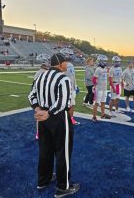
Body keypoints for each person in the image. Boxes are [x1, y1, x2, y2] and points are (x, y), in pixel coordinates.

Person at [28, 53, 80, 198]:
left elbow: (31, 96)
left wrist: (38, 110)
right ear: (61, 64)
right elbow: (63, 102)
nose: (67, 65)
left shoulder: (40, 77)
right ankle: (63, 187)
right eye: (66, 63)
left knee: (45, 150)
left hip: (44, 120)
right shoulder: (63, 78)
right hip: (58, 118)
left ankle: (43, 180)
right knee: (62, 152)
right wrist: (49, 113)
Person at [33, 56, 50, 140]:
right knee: (43, 115)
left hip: (41, 96)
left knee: (42, 116)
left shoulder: (40, 72)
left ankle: (39, 133)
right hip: (43, 97)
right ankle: (39, 133)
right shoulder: (43, 73)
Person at [92, 55, 111, 122]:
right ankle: (94, 117)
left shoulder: (105, 68)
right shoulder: (98, 69)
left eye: (105, 61)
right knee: (97, 103)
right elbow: (94, 79)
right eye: (103, 61)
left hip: (104, 88)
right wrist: (96, 86)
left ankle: (102, 114)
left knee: (103, 102)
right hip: (99, 88)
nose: (104, 62)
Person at [65, 61, 80, 125]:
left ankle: (71, 118)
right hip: (66, 88)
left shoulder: (71, 64)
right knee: (64, 105)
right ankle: (65, 119)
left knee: (72, 104)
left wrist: (75, 85)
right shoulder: (62, 65)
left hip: (72, 88)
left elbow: (73, 76)